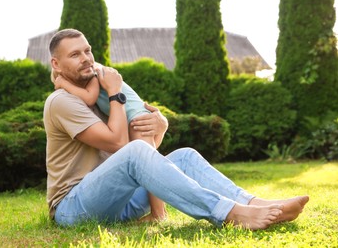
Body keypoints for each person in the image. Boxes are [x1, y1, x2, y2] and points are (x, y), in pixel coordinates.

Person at [44, 28, 309, 230]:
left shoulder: (98, 86)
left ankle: (258, 204)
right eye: (75, 54)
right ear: (56, 64)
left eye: (87, 51)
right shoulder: (62, 101)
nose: (85, 59)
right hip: (74, 207)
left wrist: (160, 120)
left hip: (117, 202)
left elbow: (145, 135)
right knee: (135, 151)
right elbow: (119, 144)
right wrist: (115, 93)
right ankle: (232, 214)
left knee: (185, 156)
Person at [51, 64, 166, 222]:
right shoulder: (98, 75)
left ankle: (158, 214)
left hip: (139, 119)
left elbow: (89, 97)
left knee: (151, 167)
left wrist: (64, 84)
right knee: (150, 165)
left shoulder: (95, 73)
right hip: (137, 118)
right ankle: (159, 213)